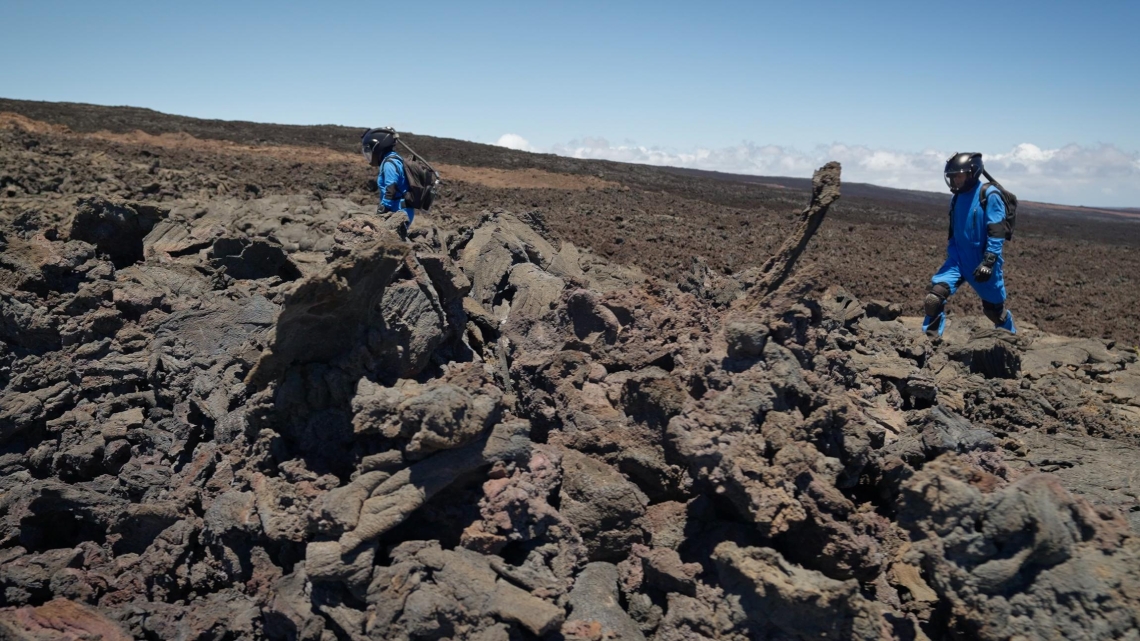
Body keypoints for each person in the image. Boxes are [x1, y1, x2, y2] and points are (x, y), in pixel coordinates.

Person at [922, 152, 1016, 338]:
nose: (955, 180)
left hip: (982, 261)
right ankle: (930, 343)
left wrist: (989, 261)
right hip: (958, 260)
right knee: (934, 298)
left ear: (972, 173)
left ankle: (1009, 335)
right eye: (952, 176)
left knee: (993, 312)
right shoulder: (956, 197)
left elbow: (996, 232)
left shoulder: (989, 195)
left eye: (959, 175)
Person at [361, 127, 414, 233]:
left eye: (369, 149)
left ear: (377, 147)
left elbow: (391, 187)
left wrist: (383, 208)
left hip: (398, 211)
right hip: (401, 209)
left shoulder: (389, 163)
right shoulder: (393, 158)